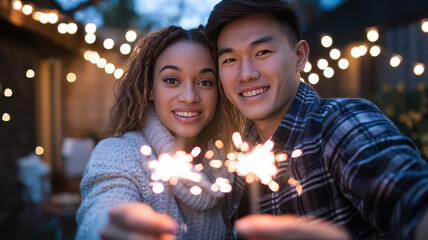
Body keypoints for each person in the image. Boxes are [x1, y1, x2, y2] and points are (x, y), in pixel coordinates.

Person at [204, 0, 428, 239]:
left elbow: (412, 200)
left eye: (262, 52)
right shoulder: (235, 159)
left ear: (299, 56)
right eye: (230, 60)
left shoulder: (339, 124)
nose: (246, 73)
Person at [75, 25, 244, 240]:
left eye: (205, 82)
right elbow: (104, 204)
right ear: (150, 88)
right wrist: (112, 225)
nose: (190, 97)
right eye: (172, 80)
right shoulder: (118, 154)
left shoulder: (228, 164)